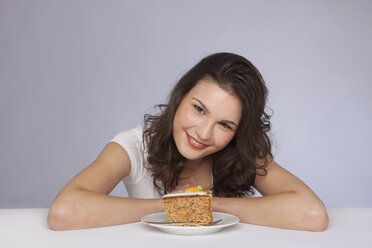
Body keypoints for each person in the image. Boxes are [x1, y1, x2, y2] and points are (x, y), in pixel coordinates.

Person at [48, 52, 329, 231]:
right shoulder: (133, 146)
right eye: (199, 109)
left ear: (238, 131)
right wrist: (176, 207)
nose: (204, 133)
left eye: (225, 124)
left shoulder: (242, 153)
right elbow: (64, 212)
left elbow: (312, 214)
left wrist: (205, 205)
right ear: (180, 96)